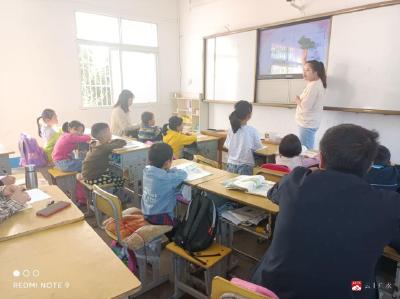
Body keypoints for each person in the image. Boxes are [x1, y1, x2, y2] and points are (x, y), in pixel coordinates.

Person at [252, 124, 400, 299]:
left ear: (320, 159)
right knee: (367, 285)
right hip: (347, 291)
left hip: (273, 290)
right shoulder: (389, 205)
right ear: (369, 167)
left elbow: (273, 194)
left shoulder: (296, 181)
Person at [141, 143, 187, 228]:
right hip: (162, 218)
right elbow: (183, 174)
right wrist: (173, 170)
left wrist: (169, 170)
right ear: (167, 162)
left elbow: (163, 174)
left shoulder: (146, 170)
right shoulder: (167, 178)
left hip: (147, 213)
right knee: (183, 226)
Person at [82, 123, 126, 192]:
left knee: (114, 172)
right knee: (122, 179)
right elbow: (122, 142)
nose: (111, 133)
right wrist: (111, 141)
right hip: (93, 178)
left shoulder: (94, 143)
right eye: (109, 131)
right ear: (104, 134)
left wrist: (109, 141)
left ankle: (112, 192)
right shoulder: (104, 147)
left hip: (87, 175)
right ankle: (116, 196)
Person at [294, 57, 327, 150]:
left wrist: (297, 100)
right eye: (304, 70)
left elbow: (306, 107)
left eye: (308, 70)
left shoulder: (314, 86)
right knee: (305, 149)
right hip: (308, 123)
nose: (304, 73)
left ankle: (305, 165)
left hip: (307, 124)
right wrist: (304, 60)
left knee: (305, 151)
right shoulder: (315, 83)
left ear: (316, 72)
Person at [224, 101, 263, 175]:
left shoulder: (231, 129)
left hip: (231, 164)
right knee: (243, 187)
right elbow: (259, 148)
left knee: (231, 186)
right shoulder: (252, 130)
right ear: (249, 115)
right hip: (245, 167)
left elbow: (226, 145)